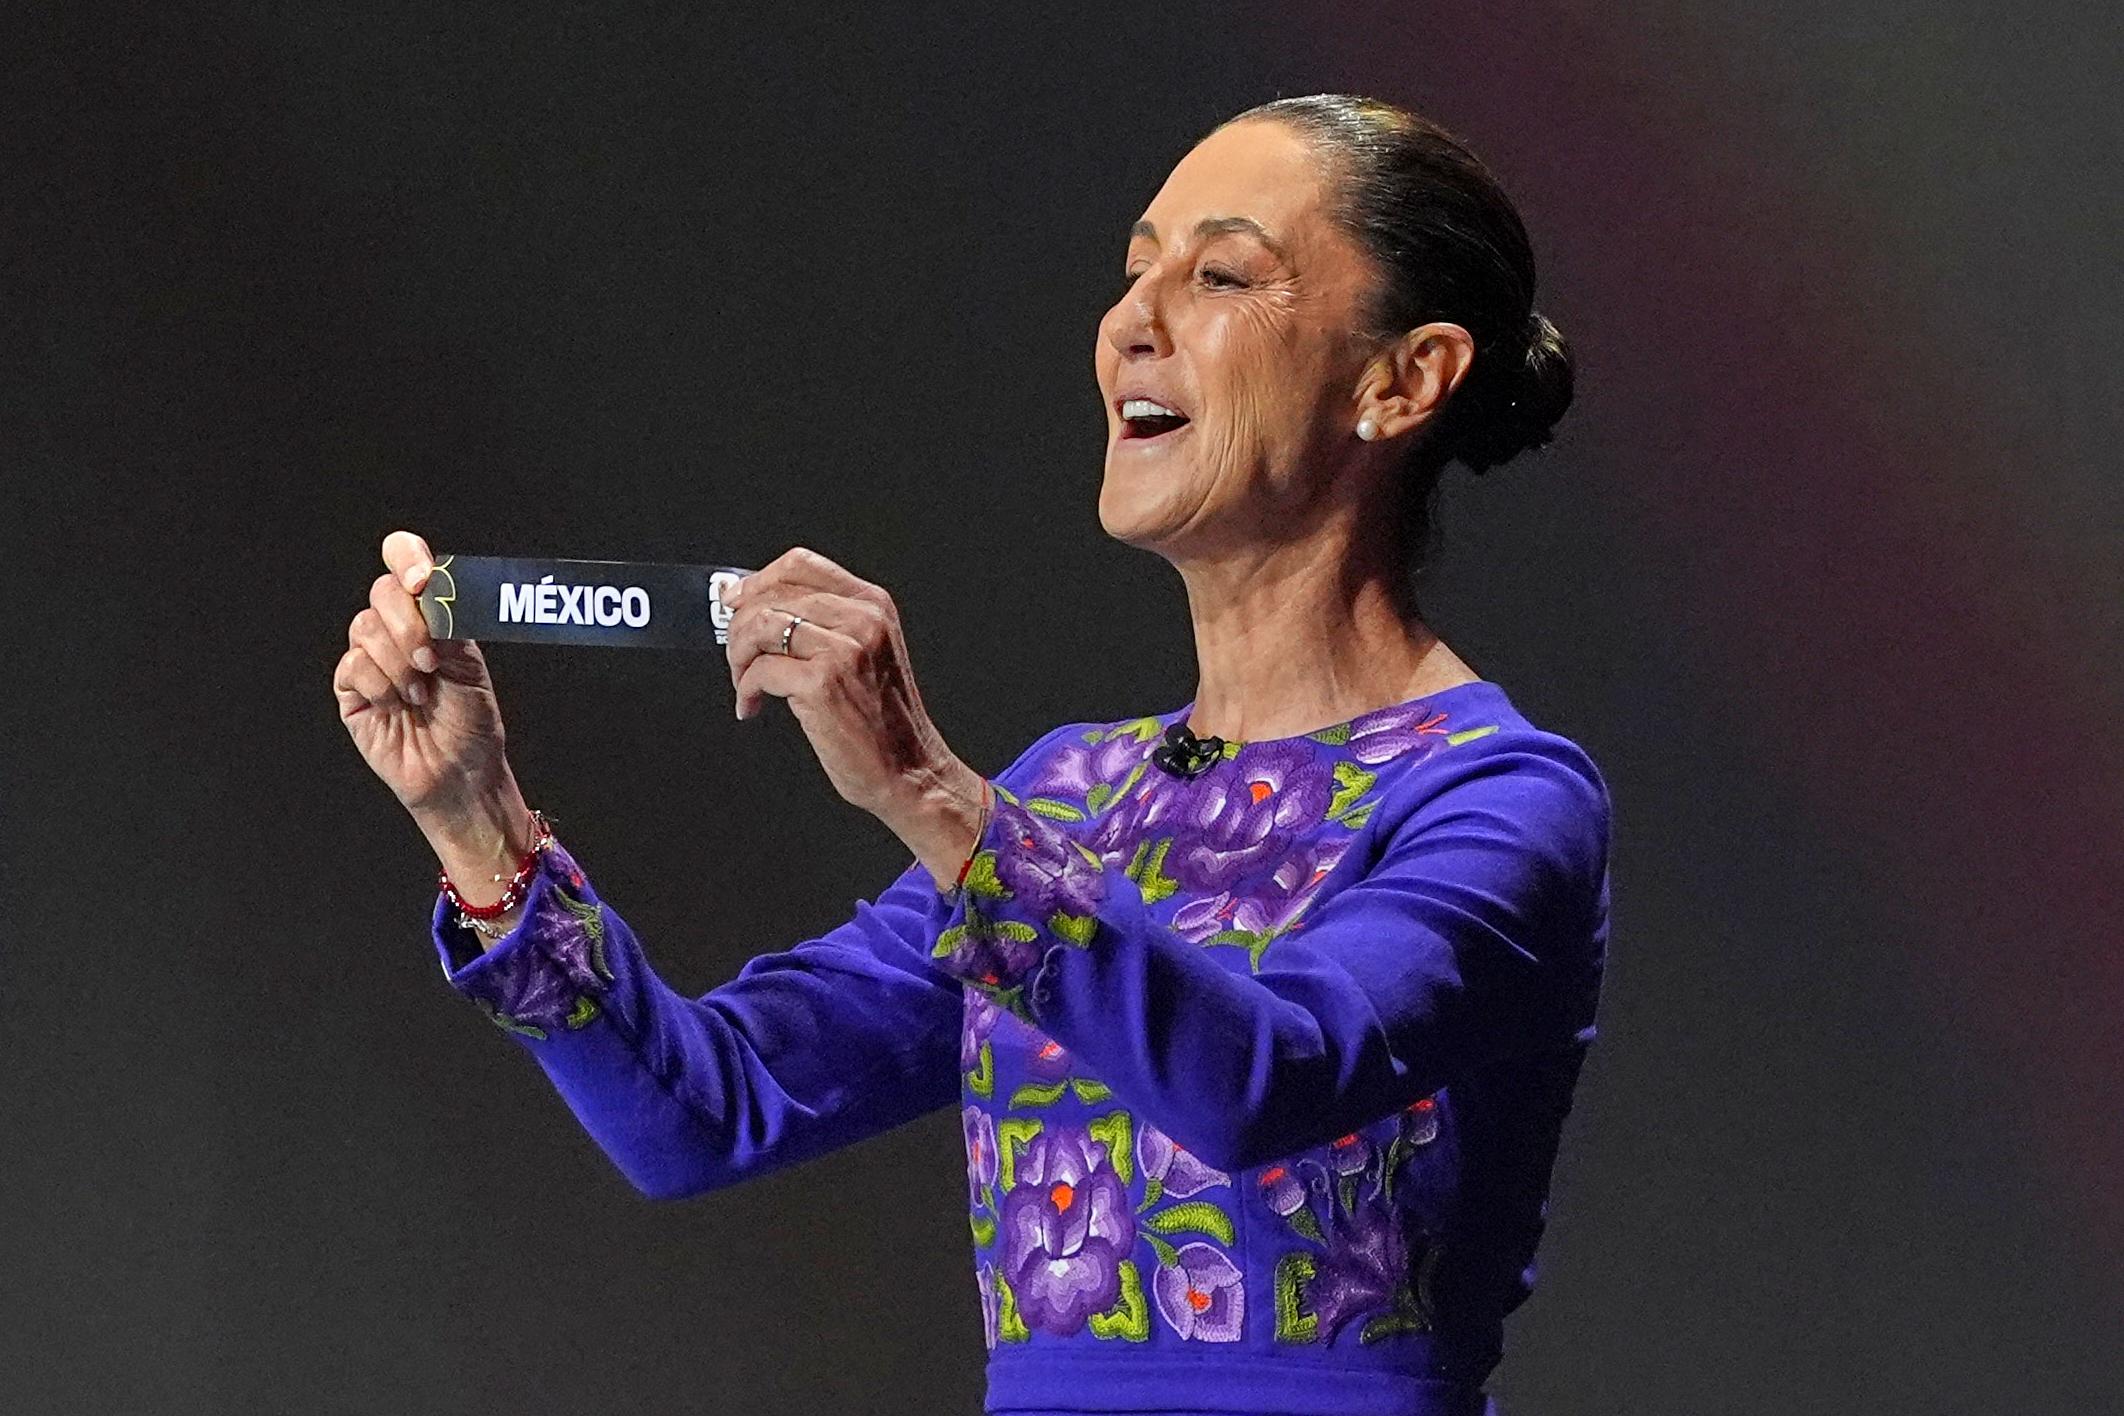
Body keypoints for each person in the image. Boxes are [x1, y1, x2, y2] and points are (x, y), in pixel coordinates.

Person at [333, 92, 1608, 1416]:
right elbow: (703, 1114)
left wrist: (927, 792)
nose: (1133, 323)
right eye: (1134, 272)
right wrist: (477, 819)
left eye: (1221, 272)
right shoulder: (1073, 796)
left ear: (1403, 379)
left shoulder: (1500, 798)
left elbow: (1260, 1077)